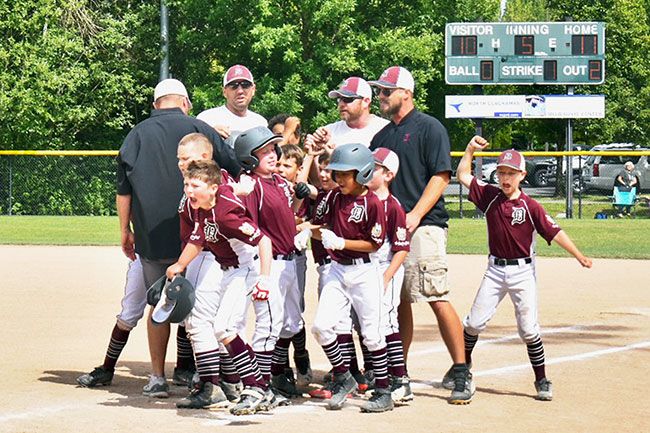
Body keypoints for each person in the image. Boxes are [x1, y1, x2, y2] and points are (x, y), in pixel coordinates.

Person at [115, 78, 239, 397]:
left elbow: (123, 191)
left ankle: (157, 376)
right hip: (199, 244)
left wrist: (125, 232)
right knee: (201, 309)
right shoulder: (200, 128)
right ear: (185, 102)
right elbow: (233, 170)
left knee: (159, 305)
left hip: (152, 239)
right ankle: (207, 375)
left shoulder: (136, 134)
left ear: (156, 104)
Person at [456, 138, 593, 401]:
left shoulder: (531, 207)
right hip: (494, 271)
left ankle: (542, 379)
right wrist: (470, 150)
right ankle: (463, 368)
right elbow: (463, 174)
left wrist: (579, 255)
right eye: (501, 172)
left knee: (529, 330)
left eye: (511, 173)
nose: (505, 178)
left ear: (522, 175)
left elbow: (555, 232)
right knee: (473, 323)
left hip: (522, 273)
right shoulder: (490, 197)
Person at [368, 66, 472, 404]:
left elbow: (441, 177)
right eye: (379, 91)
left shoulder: (429, 128)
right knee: (398, 302)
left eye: (386, 91)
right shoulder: (382, 138)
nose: (380, 97)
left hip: (424, 225)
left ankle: (462, 370)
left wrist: (415, 215)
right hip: (390, 230)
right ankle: (401, 372)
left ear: (406, 94)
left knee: (434, 295)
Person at [165, 159, 275, 415]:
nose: (189, 191)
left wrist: (265, 278)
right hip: (228, 271)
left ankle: (254, 387)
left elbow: (264, 240)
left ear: (213, 187)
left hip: (246, 270)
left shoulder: (226, 214)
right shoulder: (203, 206)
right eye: (186, 185)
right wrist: (179, 265)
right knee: (226, 329)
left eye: (195, 185)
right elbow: (197, 240)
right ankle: (261, 386)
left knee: (224, 328)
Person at [307, 143, 393, 413]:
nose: (339, 179)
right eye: (337, 173)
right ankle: (344, 377)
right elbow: (319, 227)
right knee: (321, 327)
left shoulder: (373, 203)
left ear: (364, 173)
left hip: (364, 271)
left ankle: (383, 391)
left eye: (346, 174)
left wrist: (342, 242)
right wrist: (306, 232)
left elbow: (375, 244)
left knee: (372, 335)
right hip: (338, 269)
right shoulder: (333, 197)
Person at [234, 126, 301, 402]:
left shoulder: (280, 182)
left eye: (273, 149)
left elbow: (287, 215)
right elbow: (247, 226)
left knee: (286, 323)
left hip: (289, 262)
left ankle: (266, 381)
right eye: (264, 151)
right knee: (268, 326)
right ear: (249, 158)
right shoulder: (252, 185)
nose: (273, 155)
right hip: (268, 264)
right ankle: (259, 387)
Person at [366, 148, 412, 405]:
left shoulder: (393, 207)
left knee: (387, 324)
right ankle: (381, 376)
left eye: (374, 167)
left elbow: (402, 249)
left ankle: (401, 380)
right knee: (371, 325)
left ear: (388, 174)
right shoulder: (363, 201)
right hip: (366, 269)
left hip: (387, 267)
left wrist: (386, 277)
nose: (367, 170)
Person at [306, 77, 388, 150]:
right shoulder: (329, 132)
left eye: (347, 99)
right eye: (339, 99)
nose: (341, 104)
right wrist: (314, 151)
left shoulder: (385, 130)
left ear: (366, 102)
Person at [197, 64, 267, 141]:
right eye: (234, 86)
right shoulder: (207, 119)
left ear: (253, 89)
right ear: (224, 92)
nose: (240, 91)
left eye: (245, 85)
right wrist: (210, 135)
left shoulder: (261, 123)